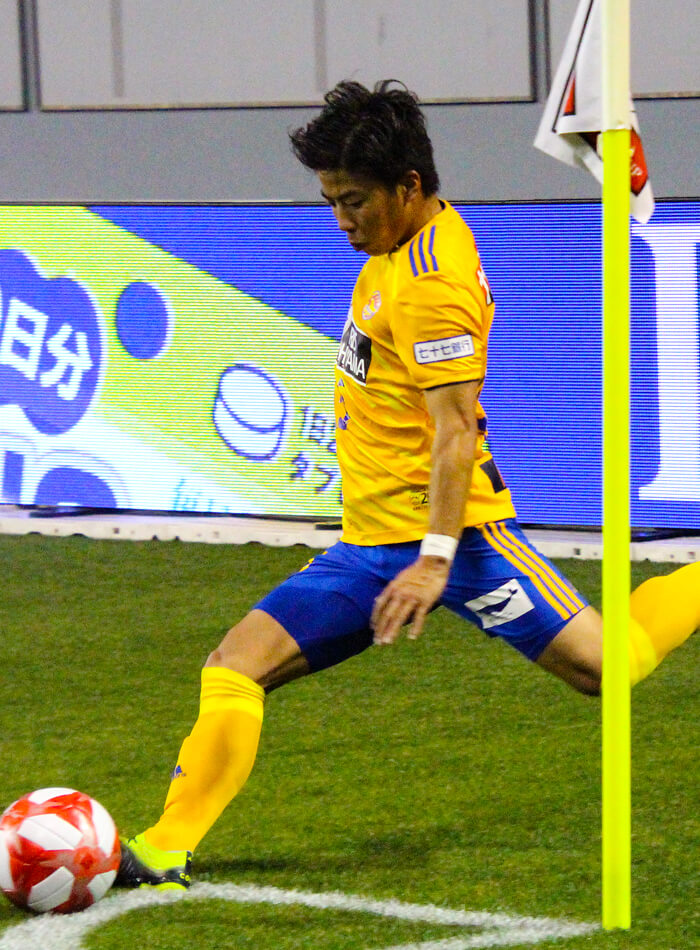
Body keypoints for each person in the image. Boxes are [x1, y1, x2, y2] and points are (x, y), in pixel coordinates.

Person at [116, 80, 698, 890]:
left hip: (455, 544)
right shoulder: (396, 250)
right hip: (369, 547)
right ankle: (163, 847)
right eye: (330, 201)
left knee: (608, 670)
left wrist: (434, 558)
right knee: (235, 664)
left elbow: (456, 429)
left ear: (409, 186)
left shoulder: (431, 286)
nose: (340, 220)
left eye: (353, 201)